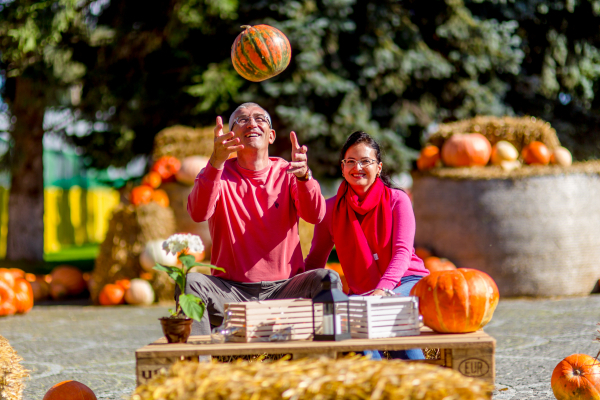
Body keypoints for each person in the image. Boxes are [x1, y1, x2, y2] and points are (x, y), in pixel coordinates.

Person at [182, 102, 341, 335]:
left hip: (285, 289)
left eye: (260, 118)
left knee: (327, 278)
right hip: (231, 291)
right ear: (230, 135)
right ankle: (200, 365)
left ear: (271, 136)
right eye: (242, 120)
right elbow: (198, 213)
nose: (252, 123)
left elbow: (315, 215)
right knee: (191, 283)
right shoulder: (217, 174)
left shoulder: (290, 172)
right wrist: (215, 161)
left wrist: (305, 177)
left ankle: (328, 361)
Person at [304, 131, 429, 359]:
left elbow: (402, 253)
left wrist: (382, 291)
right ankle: (375, 380)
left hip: (406, 281)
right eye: (350, 161)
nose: (357, 167)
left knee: (389, 311)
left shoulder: (397, 200)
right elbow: (315, 260)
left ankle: (416, 382)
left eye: (365, 161)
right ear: (342, 168)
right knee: (348, 321)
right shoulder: (329, 209)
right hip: (363, 293)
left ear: (379, 167)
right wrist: (292, 288)